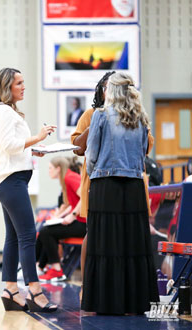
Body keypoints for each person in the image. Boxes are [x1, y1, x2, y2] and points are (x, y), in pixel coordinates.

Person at [82, 72, 159, 315]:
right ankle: (136, 303)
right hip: (135, 187)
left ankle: (107, 302)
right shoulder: (142, 118)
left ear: (111, 91)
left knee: (106, 244)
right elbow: (143, 154)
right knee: (133, 244)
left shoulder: (101, 115)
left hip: (106, 187)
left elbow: (91, 155)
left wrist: (95, 173)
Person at [0, 67, 57, 313]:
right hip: (11, 181)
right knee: (28, 235)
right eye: (19, 83)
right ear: (7, 87)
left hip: (11, 180)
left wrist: (33, 149)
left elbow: (14, 147)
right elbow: (9, 145)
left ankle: (10, 290)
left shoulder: (6, 111)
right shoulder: (4, 111)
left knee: (14, 237)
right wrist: (37, 137)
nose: (23, 86)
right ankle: (35, 292)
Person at [36, 157, 86, 282]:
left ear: (58, 169)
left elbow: (85, 196)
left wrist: (73, 215)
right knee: (46, 230)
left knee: (46, 232)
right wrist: (59, 216)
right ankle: (40, 266)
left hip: (85, 224)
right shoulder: (66, 179)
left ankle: (55, 270)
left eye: (50, 168)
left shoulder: (70, 177)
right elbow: (72, 204)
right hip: (80, 222)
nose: (48, 171)